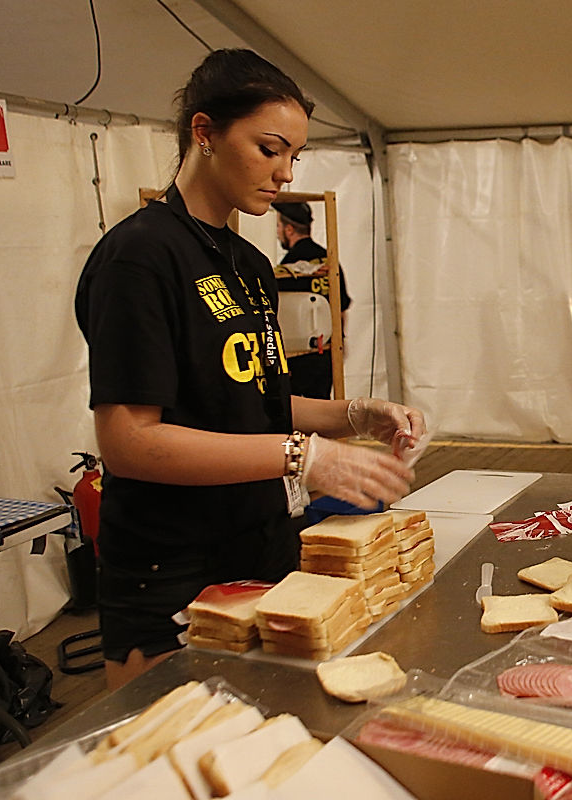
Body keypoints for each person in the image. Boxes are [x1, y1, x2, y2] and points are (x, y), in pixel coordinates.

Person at [74, 49, 425, 690]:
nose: (285, 173)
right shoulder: (140, 256)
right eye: (269, 149)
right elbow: (128, 443)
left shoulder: (248, 263)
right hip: (170, 561)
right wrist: (302, 457)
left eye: (294, 156)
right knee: (175, 756)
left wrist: (355, 416)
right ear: (204, 133)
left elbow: (255, 404)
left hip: (260, 540)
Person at [272, 200, 350, 399]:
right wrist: (339, 343)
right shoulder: (328, 259)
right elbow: (341, 307)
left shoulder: (289, 265)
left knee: (299, 412)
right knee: (323, 407)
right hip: (327, 352)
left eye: (279, 227)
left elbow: (279, 312)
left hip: (299, 354)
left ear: (289, 230)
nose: (277, 232)